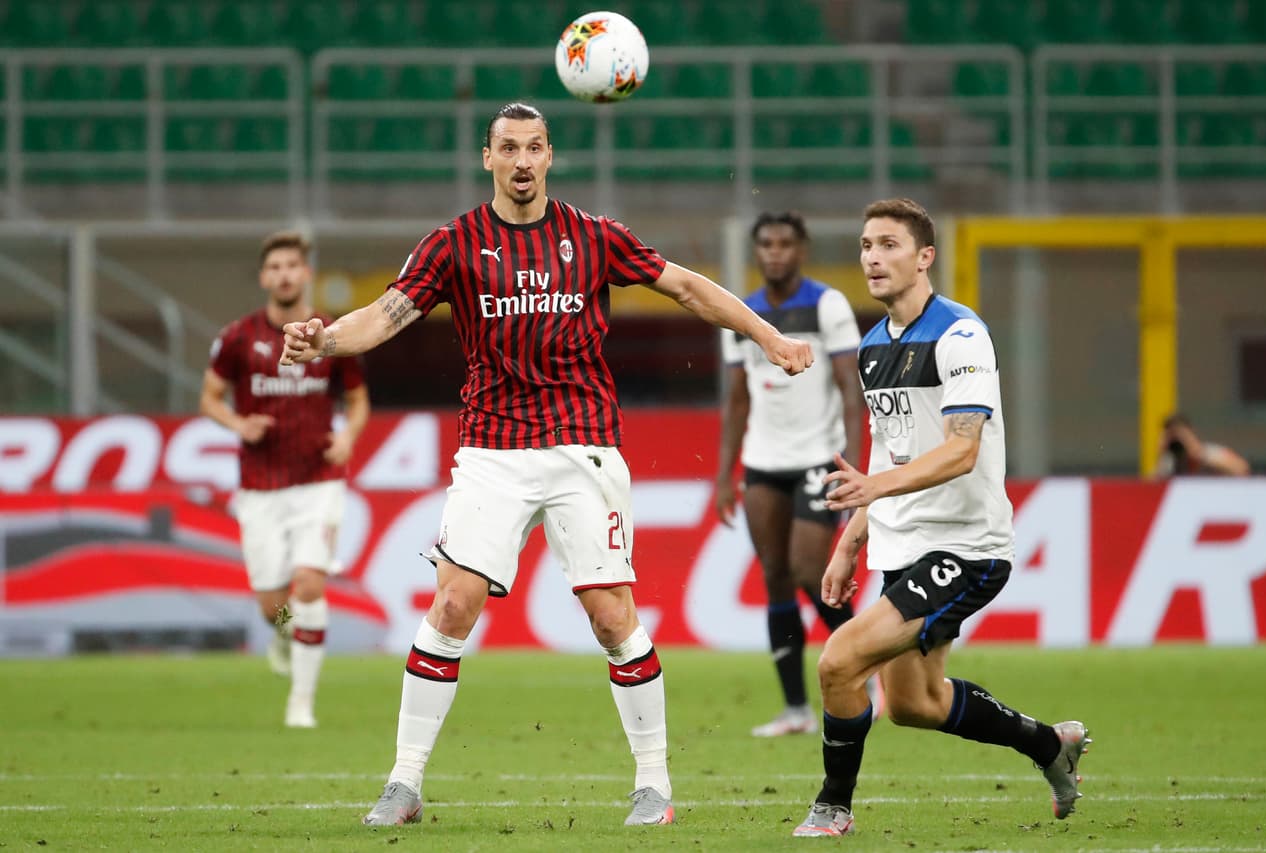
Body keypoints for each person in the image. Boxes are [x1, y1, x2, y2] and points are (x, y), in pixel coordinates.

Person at [278, 102, 814, 829]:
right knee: (451, 604)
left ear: (551, 155)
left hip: (582, 447)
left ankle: (653, 782)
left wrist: (765, 333)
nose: (523, 160)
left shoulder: (595, 237)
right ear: (487, 157)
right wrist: (325, 340)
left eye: (535, 147)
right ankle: (403, 782)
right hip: (492, 449)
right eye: (509, 148)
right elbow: (387, 313)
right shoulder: (453, 244)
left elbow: (686, 285)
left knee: (610, 615)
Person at [791, 199, 1089, 837]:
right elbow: (887, 449)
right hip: (903, 543)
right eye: (867, 245)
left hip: (966, 546)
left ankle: (832, 806)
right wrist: (851, 543)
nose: (873, 257)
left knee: (839, 662)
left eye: (890, 245)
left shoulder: (960, 334)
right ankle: (1048, 745)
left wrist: (873, 486)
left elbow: (961, 449)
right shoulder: (875, 346)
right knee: (913, 704)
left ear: (925, 257)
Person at [199, 230, 369, 729]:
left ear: (306, 273)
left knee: (311, 585)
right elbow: (209, 397)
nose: (284, 275)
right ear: (263, 277)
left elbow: (357, 401)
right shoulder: (237, 338)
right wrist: (237, 423)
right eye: (275, 268)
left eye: (292, 266)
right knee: (274, 604)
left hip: (319, 479)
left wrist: (348, 438)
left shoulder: (329, 336)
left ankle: (302, 703)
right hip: (260, 485)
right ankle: (282, 634)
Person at [716, 210, 871, 737]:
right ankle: (795, 710)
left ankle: (862, 662)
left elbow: (851, 388)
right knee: (775, 576)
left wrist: (851, 460)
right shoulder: (741, 314)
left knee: (809, 569)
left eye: (784, 243)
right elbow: (736, 401)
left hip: (817, 457)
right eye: (766, 244)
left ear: (801, 249)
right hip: (762, 461)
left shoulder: (827, 304)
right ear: (757, 251)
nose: (774, 253)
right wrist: (723, 476)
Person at [1156, 413, 1251, 477]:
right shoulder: (1170, 461)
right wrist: (1161, 452)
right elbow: (1155, 486)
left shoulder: (1211, 451)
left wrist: (1198, 453)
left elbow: (1242, 469)